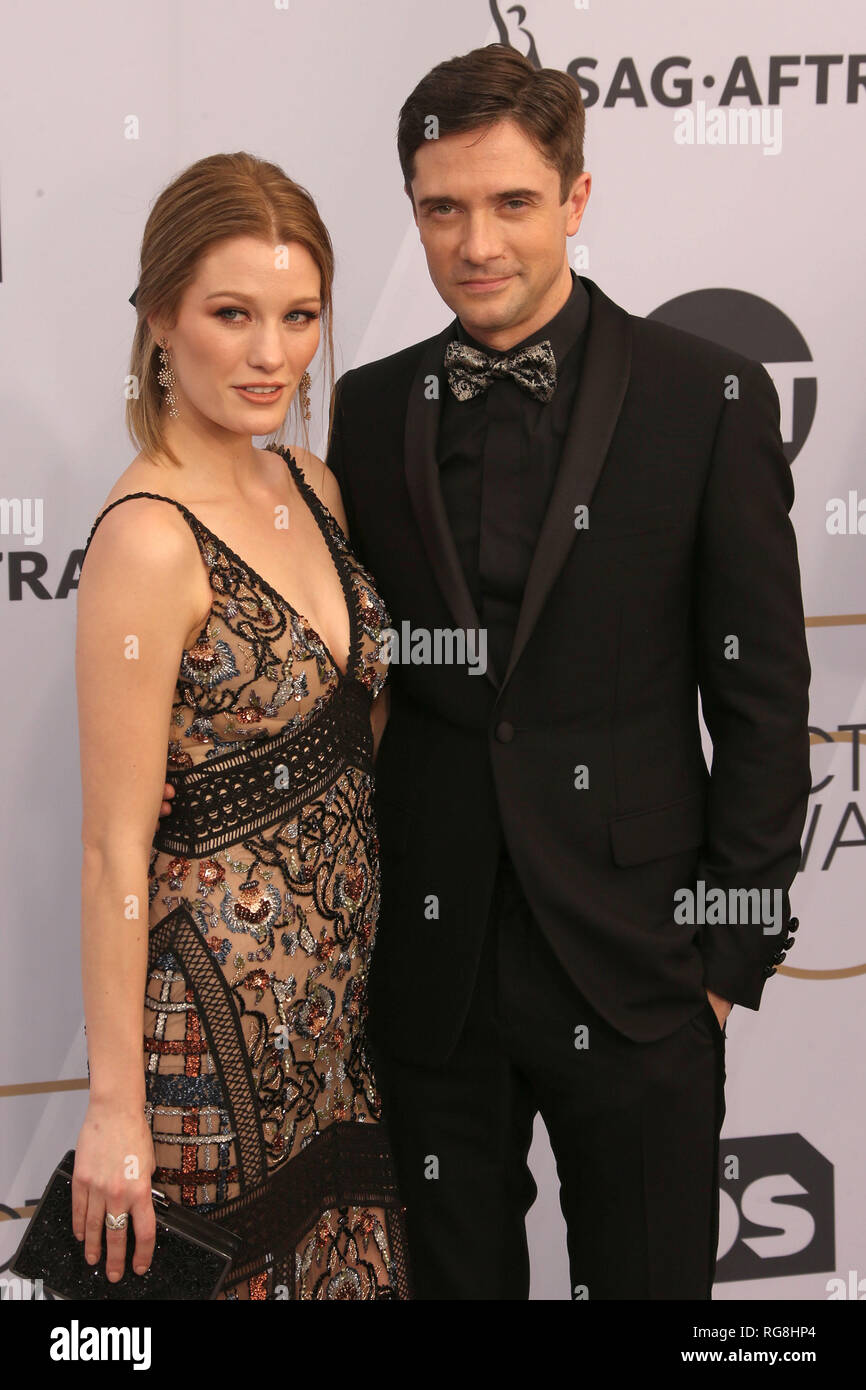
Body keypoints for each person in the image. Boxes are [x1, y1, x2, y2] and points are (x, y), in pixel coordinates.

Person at [319, 45, 811, 1299]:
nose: (475, 242)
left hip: (640, 968)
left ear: (575, 198)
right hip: (433, 975)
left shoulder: (704, 395)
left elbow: (760, 698)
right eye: (442, 207)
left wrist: (723, 967)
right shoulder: (367, 409)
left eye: (511, 202)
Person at [74, 151, 410, 1300]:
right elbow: (113, 848)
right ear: (159, 316)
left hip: (333, 1016)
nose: (272, 353)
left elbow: (353, 726)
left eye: (298, 315)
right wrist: (113, 1109)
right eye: (232, 314)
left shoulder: (310, 483)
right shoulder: (147, 536)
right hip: (208, 1030)